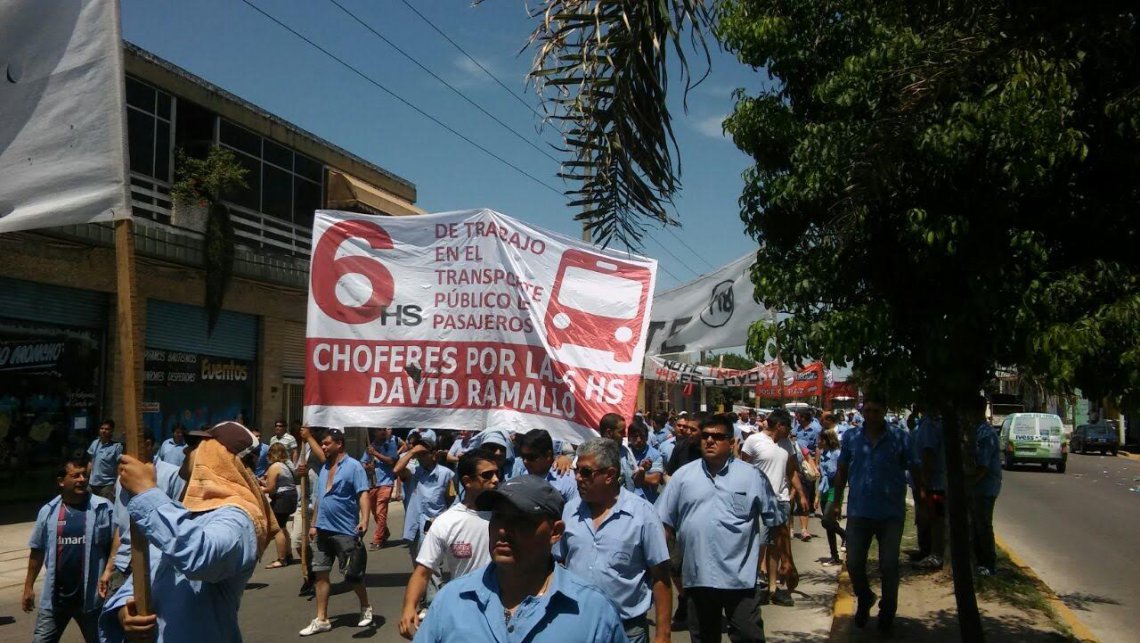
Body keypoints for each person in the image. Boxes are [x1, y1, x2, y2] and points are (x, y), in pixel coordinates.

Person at [101, 421, 276, 642]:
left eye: (195, 445)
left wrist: (147, 492)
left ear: (218, 456)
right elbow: (146, 571)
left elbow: (201, 557)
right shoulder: (180, 510)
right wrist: (124, 612)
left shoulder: (239, 518)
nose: (185, 450)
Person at [414, 476, 627, 642]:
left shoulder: (591, 610)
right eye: (498, 517)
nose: (503, 531)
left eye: (521, 520)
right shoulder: (452, 600)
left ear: (555, 532)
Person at [657, 413, 779, 642]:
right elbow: (664, 523)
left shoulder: (752, 477)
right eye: (705, 436)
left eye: (717, 436)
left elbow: (775, 521)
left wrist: (786, 562)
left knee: (748, 636)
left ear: (731, 442)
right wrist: (664, 565)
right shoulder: (683, 477)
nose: (709, 441)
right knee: (704, 638)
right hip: (697, 578)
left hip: (739, 580)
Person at [559, 438, 671, 643]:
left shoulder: (643, 514)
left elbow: (661, 576)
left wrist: (663, 634)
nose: (577, 478)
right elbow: (558, 563)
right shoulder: (569, 511)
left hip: (627, 631)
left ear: (610, 474)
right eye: (576, 470)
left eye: (585, 472)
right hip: (576, 626)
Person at [827, 393, 915, 634]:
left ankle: (887, 613)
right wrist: (835, 502)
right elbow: (842, 470)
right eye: (868, 411)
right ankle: (865, 597)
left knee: (889, 565)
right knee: (854, 562)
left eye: (876, 411)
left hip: (891, 514)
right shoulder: (852, 438)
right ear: (862, 411)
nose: (872, 415)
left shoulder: (900, 438)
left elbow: (914, 469)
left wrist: (923, 501)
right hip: (859, 512)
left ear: (884, 411)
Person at [399, 448, 500, 639]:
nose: (495, 479)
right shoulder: (447, 523)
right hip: (466, 613)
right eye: (487, 475)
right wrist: (409, 608)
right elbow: (422, 572)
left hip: (507, 610)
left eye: (497, 473)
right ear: (467, 481)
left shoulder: (509, 516)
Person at [23, 455, 115, 643]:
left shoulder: (103, 508)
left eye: (84, 475)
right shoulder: (48, 512)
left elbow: (117, 544)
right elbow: (37, 550)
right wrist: (28, 587)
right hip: (55, 601)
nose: (82, 480)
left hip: (92, 600)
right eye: (75, 476)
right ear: (61, 481)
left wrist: (108, 571)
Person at [300, 428, 374, 636]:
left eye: (326, 444)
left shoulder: (354, 467)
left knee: (352, 574)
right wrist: (313, 525)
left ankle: (365, 606)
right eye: (322, 444)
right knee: (321, 574)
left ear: (339, 444)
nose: (323, 447)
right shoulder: (324, 468)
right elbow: (319, 500)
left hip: (344, 530)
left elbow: (363, 494)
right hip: (322, 530)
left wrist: (365, 519)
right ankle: (322, 619)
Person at [740, 408, 808, 607]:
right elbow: (743, 468)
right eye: (788, 427)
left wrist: (802, 495)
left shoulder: (788, 445)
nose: (790, 432)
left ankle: (772, 587)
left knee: (776, 545)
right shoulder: (754, 441)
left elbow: (792, 471)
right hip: (758, 501)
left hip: (781, 500)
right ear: (780, 426)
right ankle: (752, 584)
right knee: (758, 543)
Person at [109, 457, 186, 597]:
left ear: (147, 443)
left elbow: (178, 522)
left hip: (156, 566)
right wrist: (110, 566)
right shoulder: (123, 474)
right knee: (116, 612)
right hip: (123, 564)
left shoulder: (172, 474)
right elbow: (120, 527)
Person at [973, 398, 1002, 576]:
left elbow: (982, 467)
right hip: (981, 487)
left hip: (985, 488)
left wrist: (968, 485)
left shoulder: (985, 434)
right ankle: (980, 561)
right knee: (977, 525)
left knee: (983, 524)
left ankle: (988, 564)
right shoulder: (976, 431)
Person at [914, 414, 946, 570]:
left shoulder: (930, 425)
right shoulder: (931, 423)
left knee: (934, 520)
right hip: (936, 482)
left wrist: (923, 484)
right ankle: (929, 552)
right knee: (930, 519)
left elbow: (928, 455)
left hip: (934, 484)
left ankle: (935, 554)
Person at [361, 427, 400, 550]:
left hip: (386, 482)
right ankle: (385, 532)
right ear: (374, 433)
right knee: (375, 513)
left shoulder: (390, 444)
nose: (383, 431)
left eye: (384, 429)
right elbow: (363, 462)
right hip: (372, 483)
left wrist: (376, 454)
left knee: (380, 511)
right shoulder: (370, 446)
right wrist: (367, 467)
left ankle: (378, 540)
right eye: (379, 430)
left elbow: (391, 461)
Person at [262, 443, 298, 569]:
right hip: (290, 497)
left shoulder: (274, 467)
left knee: (277, 529)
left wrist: (258, 488)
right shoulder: (285, 465)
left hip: (282, 499)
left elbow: (270, 488)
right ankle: (288, 554)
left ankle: (281, 559)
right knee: (282, 527)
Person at [515, 429, 577, 501]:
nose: (525, 461)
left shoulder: (568, 481)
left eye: (531, 457)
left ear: (548, 455)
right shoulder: (523, 475)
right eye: (523, 456)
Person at [816, 428, 846, 565]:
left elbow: (837, 474)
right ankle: (835, 556)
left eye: (820, 440)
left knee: (826, 520)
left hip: (834, 489)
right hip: (825, 489)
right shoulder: (823, 453)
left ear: (827, 440)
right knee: (829, 526)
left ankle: (845, 535)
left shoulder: (836, 454)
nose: (818, 442)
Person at [626, 422, 665, 504]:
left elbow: (655, 479)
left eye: (642, 437)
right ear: (629, 437)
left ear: (647, 437)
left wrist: (633, 476)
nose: (639, 440)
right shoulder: (625, 453)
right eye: (635, 436)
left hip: (647, 502)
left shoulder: (655, 455)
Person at [85, 421, 122, 500]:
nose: (104, 431)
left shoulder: (116, 446)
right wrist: (86, 477)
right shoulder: (95, 443)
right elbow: (91, 461)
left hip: (107, 485)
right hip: (92, 484)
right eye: (102, 428)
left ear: (111, 431)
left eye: (107, 429)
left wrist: (117, 483)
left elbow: (119, 465)